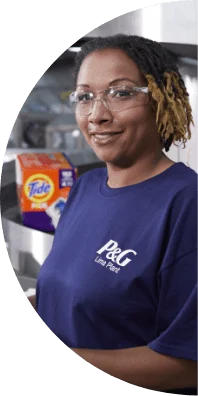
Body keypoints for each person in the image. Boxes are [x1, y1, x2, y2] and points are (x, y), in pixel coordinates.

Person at [28, 34, 198, 394]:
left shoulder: (187, 204)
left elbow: (188, 364)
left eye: (121, 93)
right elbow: (74, 294)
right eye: (85, 97)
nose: (97, 115)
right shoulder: (84, 188)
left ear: (163, 99)